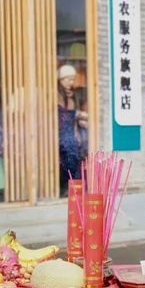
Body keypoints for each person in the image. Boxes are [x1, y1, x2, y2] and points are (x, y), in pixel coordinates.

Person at [57, 64, 88, 194]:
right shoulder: (57, 94)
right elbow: (60, 113)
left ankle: (75, 187)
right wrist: (78, 114)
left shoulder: (72, 94)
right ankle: (67, 186)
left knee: (76, 155)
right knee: (69, 155)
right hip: (61, 133)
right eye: (67, 79)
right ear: (61, 79)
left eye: (72, 79)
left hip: (71, 132)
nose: (70, 82)